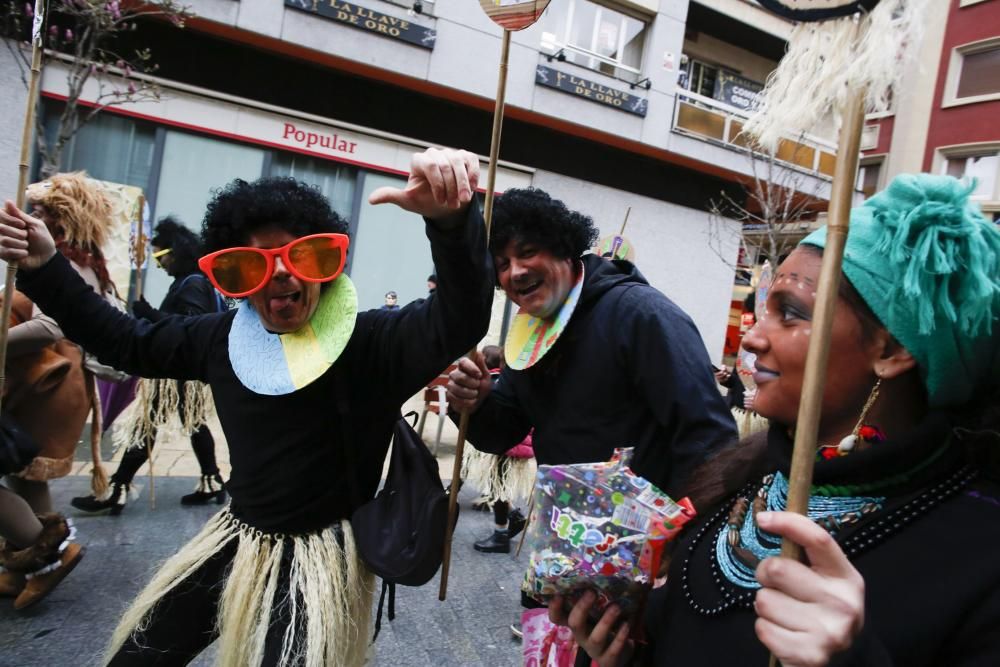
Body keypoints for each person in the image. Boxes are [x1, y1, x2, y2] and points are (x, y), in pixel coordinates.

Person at [0, 146, 493, 666]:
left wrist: (452, 222)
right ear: (236, 279)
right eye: (253, 265)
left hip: (318, 562)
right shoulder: (219, 340)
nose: (281, 275)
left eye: (301, 256)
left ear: (327, 264)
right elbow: (125, 341)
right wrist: (45, 267)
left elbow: (458, 318)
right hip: (235, 541)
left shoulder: (372, 342)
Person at [555, 174, 1000, 667]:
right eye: (760, 310)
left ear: (892, 349)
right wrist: (618, 653)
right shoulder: (737, 482)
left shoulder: (980, 556)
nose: (751, 338)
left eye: (790, 313)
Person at [447, 187, 736, 641]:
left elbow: (710, 440)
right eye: (501, 264)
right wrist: (474, 401)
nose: (515, 271)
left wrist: (679, 553)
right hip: (565, 554)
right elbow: (500, 430)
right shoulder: (532, 331)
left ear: (565, 248)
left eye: (527, 252)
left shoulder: (642, 315)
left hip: (646, 562)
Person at [71, 217, 226, 514]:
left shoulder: (192, 283)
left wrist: (150, 314)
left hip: (175, 372)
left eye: (160, 255)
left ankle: (118, 489)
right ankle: (212, 482)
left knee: (147, 425)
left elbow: (192, 326)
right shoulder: (189, 281)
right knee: (190, 424)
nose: (159, 263)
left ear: (177, 251)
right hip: (179, 371)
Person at [463, 344, 530, 555]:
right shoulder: (511, 381)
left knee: (499, 489)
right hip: (514, 445)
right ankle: (514, 516)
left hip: (507, 446)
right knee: (496, 487)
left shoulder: (494, 384)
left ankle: (501, 535)